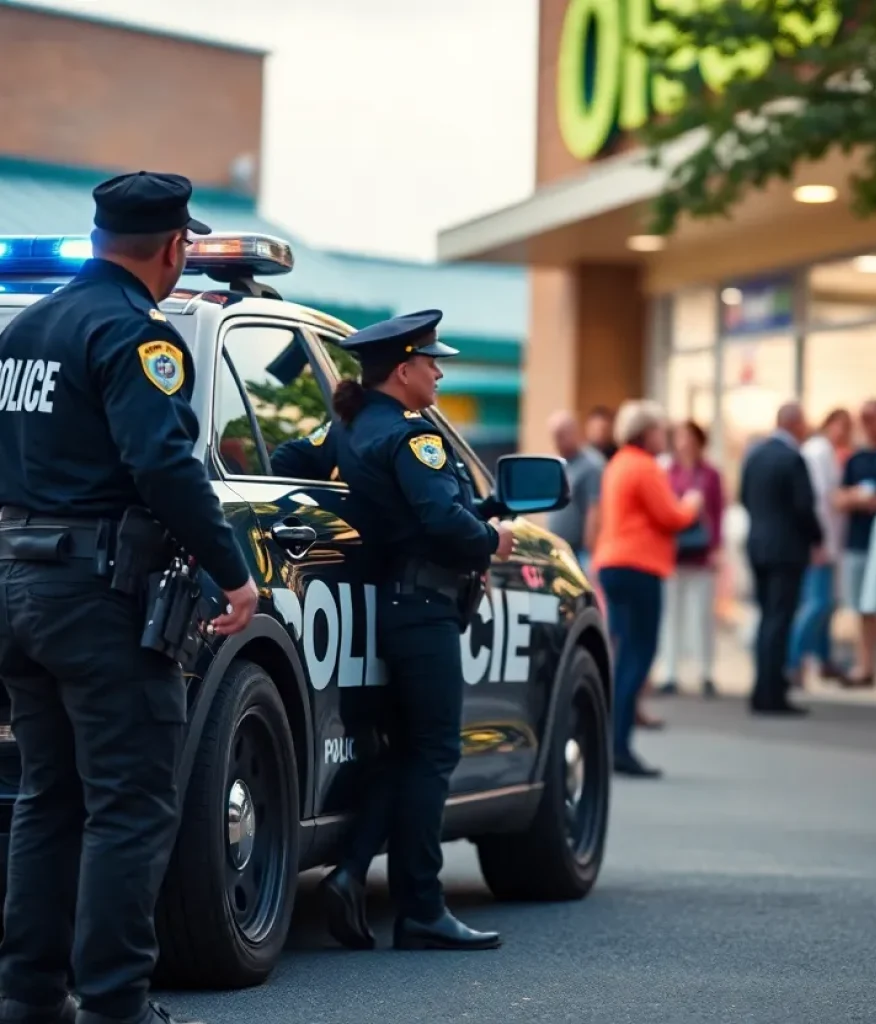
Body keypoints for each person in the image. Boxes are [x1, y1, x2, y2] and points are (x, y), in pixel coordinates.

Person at [0, 172, 258, 1024]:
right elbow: (163, 466)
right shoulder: (132, 332)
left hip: (18, 585)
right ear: (175, 247)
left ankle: (32, 995)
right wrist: (233, 572)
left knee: (49, 798)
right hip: (98, 596)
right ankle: (114, 1005)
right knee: (131, 802)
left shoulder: (24, 330)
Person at [271, 309, 516, 949]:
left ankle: (351, 874)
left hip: (394, 608)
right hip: (425, 610)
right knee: (434, 751)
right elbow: (441, 519)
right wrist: (493, 539)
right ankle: (421, 909)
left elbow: (293, 456)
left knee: (405, 750)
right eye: (432, 361)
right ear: (403, 370)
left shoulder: (351, 426)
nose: (439, 370)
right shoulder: (414, 438)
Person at [590, 400, 703, 777]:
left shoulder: (618, 463)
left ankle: (610, 742)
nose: (665, 436)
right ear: (646, 431)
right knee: (638, 653)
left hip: (613, 562)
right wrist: (692, 504)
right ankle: (619, 744)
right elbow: (670, 516)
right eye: (660, 430)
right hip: (639, 565)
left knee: (624, 653)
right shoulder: (644, 466)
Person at [739, 402, 823, 716]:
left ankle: (763, 688)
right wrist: (817, 538)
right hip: (786, 550)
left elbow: (744, 497)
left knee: (766, 619)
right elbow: (804, 507)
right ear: (795, 424)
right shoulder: (793, 459)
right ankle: (772, 693)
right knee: (779, 620)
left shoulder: (755, 456)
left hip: (758, 546)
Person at [833, 400, 876, 687]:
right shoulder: (856, 460)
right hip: (859, 542)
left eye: (871, 418)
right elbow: (838, 498)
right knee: (863, 607)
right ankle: (866, 664)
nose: (867, 424)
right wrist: (858, 500)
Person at [656, 420, 725, 699]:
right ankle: (669, 671)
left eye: (688, 437)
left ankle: (705, 671)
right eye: (680, 437)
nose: (683, 443)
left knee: (702, 616)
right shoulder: (666, 471)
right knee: (671, 615)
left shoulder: (710, 475)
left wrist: (717, 548)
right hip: (672, 554)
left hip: (701, 555)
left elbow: (718, 513)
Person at [786, 408, 853, 688]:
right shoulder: (818, 452)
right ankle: (793, 661)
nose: (845, 433)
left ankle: (824, 659)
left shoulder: (825, 452)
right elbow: (817, 501)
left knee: (827, 605)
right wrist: (818, 542)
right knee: (817, 604)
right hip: (821, 542)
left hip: (829, 540)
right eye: (841, 426)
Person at [546, 410, 605, 575]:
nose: (557, 441)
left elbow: (595, 508)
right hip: (558, 548)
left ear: (574, 432)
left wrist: (590, 552)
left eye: (560, 435)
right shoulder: (559, 463)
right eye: (554, 436)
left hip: (579, 551)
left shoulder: (591, 465)